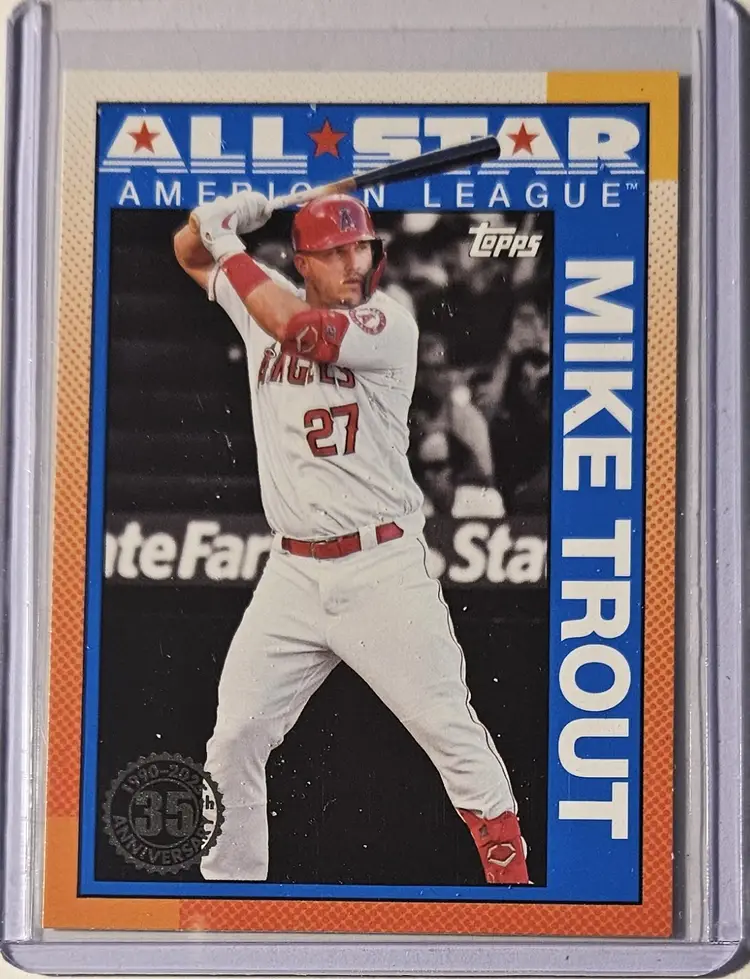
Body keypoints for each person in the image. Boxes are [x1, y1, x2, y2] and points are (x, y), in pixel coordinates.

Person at [172, 190, 529, 885]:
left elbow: (295, 329)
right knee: (235, 734)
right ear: (302, 262)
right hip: (292, 573)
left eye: (361, 247)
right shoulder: (262, 294)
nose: (353, 263)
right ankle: (230, 899)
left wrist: (230, 246)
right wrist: (216, 219)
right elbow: (188, 252)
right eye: (335, 253)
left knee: (450, 731)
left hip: (381, 567)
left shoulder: (386, 322)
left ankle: (513, 889)